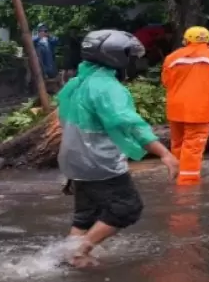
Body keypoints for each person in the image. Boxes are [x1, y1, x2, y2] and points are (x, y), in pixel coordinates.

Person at [57, 29, 179, 268]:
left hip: (74, 159)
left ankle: (66, 255)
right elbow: (129, 124)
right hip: (98, 160)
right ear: (115, 57)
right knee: (127, 208)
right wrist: (164, 153)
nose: (133, 61)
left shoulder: (77, 81)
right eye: (129, 56)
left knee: (86, 215)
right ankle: (80, 252)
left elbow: (63, 118)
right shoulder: (107, 87)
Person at [162, 26, 209, 186]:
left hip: (175, 108)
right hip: (199, 109)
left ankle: (175, 175)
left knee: (177, 143)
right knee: (193, 145)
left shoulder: (172, 57)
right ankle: (187, 187)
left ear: (187, 40)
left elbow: (166, 82)